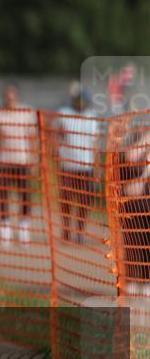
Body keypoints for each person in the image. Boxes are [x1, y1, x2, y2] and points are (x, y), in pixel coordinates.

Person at [0, 84, 40, 247]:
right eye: (7, 96)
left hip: (23, 162)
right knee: (3, 197)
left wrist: (35, 159)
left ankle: (24, 229)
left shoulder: (27, 112)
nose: (9, 99)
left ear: (17, 96)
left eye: (12, 95)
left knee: (25, 197)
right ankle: (5, 230)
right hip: (3, 162)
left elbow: (33, 137)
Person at [52, 82, 102, 244]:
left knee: (85, 201)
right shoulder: (63, 114)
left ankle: (79, 230)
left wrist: (97, 167)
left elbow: (95, 144)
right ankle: (66, 228)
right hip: (67, 165)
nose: (80, 102)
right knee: (66, 199)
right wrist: (56, 156)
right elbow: (55, 137)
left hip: (86, 167)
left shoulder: (92, 117)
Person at [118, 127, 150, 303]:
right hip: (130, 206)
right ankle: (131, 281)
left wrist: (143, 184)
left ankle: (146, 283)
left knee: (146, 245)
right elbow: (130, 157)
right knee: (131, 245)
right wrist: (143, 140)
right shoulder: (134, 144)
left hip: (146, 205)